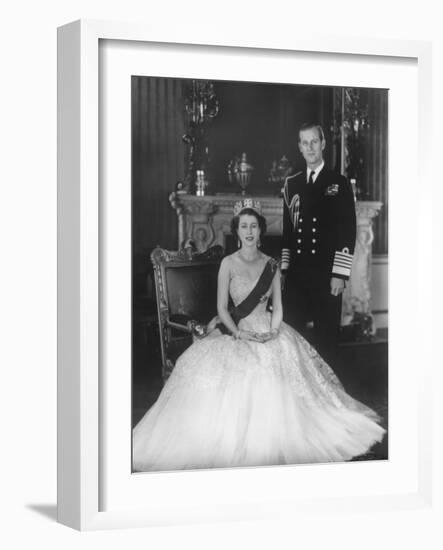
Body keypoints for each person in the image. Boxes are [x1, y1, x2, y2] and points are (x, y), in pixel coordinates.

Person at [132, 199, 384, 472]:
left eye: (253, 226)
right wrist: (238, 332)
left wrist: (274, 331)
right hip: (235, 329)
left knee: (279, 362)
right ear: (237, 230)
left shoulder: (271, 265)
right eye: (244, 226)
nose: (249, 231)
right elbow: (220, 308)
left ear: (260, 230)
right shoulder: (228, 263)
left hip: (267, 327)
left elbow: (278, 307)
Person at [281, 123, 356, 365]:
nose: (310, 147)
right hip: (297, 275)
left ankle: (328, 394)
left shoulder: (339, 183)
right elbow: (288, 232)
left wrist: (340, 274)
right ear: (299, 147)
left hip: (326, 275)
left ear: (323, 144)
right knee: (293, 337)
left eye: (314, 141)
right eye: (305, 142)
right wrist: (284, 271)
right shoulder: (291, 184)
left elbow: (347, 231)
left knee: (326, 340)